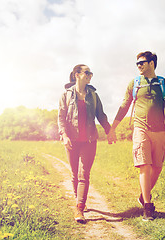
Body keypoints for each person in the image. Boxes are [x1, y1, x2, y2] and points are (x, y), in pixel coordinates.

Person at [108, 51, 165, 221]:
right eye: (137, 63)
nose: (139, 65)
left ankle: (142, 195)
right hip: (140, 129)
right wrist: (112, 128)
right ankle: (147, 206)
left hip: (160, 130)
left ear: (152, 63)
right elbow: (125, 105)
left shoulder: (164, 83)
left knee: (157, 167)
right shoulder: (135, 83)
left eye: (142, 62)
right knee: (144, 165)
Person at [58, 64, 111, 223]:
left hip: (89, 140)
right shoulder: (65, 95)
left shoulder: (93, 95)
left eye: (91, 73)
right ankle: (78, 200)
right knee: (74, 174)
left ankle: (79, 208)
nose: (90, 75)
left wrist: (110, 131)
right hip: (72, 141)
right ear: (77, 75)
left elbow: (101, 115)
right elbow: (61, 118)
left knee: (83, 174)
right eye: (87, 72)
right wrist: (64, 135)